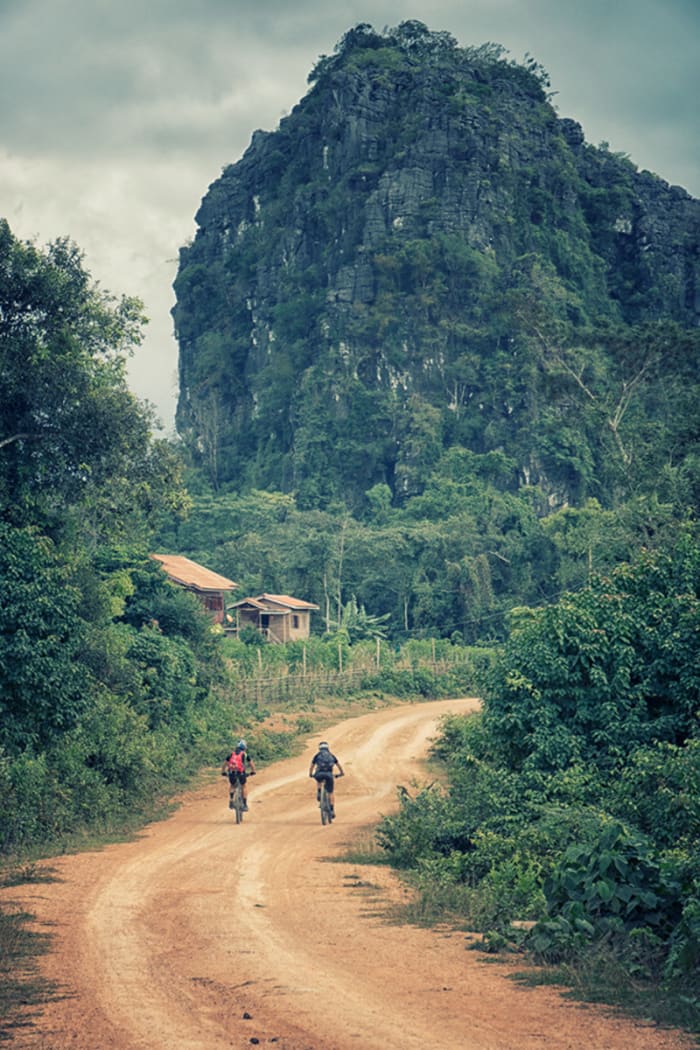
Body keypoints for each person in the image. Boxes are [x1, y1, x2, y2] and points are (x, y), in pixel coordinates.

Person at [309, 741, 344, 818]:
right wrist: (341, 773)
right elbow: (339, 765)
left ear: (319, 748)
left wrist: (310, 774)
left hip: (319, 774)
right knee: (331, 792)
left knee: (318, 778)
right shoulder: (331, 756)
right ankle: (331, 810)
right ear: (327, 748)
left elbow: (312, 766)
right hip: (329, 775)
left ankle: (319, 791)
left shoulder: (317, 755)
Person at [221, 738, 257, 811]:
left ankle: (231, 799)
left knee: (232, 785)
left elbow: (224, 764)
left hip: (232, 773)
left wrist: (223, 772)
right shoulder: (245, 754)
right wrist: (253, 771)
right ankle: (244, 804)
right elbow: (251, 764)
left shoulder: (232, 754)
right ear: (244, 747)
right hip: (241, 773)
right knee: (244, 786)